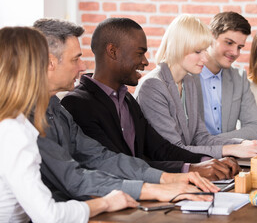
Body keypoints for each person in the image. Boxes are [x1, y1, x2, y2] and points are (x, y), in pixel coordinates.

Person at [33, 18, 217, 204]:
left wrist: (169, 178)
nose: (83, 66)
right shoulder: (32, 116)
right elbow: (73, 179)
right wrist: (152, 189)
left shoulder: (56, 107)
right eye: (75, 59)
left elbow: (101, 157)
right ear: (50, 63)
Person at [61, 17, 239, 181]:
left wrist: (207, 161)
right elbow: (119, 166)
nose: (146, 62)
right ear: (113, 51)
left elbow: (162, 149)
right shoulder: (78, 104)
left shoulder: (127, 101)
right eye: (140, 53)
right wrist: (190, 169)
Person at [0, 26, 138, 223]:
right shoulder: (13, 131)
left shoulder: (15, 122)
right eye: (45, 62)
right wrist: (105, 203)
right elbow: (49, 215)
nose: (50, 65)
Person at [134, 14, 257, 159]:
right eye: (198, 51)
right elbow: (172, 150)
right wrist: (229, 149)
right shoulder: (153, 85)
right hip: (165, 173)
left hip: (189, 166)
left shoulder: (187, 81)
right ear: (179, 47)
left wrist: (243, 144)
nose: (205, 57)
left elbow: (200, 137)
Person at [192, 11, 257, 140]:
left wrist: (213, 142)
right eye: (229, 43)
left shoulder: (239, 78)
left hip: (228, 157)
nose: (234, 52)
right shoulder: (188, 75)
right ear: (211, 37)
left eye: (240, 47)